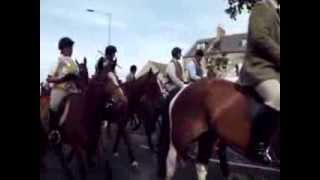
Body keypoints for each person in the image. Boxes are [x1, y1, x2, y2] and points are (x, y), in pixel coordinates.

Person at [239, 0, 280, 163]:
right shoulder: (262, 6)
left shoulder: (277, 14)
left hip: (275, 70)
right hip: (259, 68)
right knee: (278, 98)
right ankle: (256, 145)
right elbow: (259, 37)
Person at [158, 47, 187, 177]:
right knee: (166, 131)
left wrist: (185, 84)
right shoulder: (170, 65)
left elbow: (181, 78)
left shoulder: (179, 64)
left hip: (179, 89)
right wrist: (184, 86)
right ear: (177, 54)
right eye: (180, 53)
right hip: (171, 91)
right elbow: (174, 79)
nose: (181, 55)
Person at [46, 37, 79, 143]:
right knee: (54, 106)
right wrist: (62, 79)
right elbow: (49, 78)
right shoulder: (57, 62)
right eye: (68, 47)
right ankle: (53, 132)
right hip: (59, 90)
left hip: (73, 90)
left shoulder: (73, 63)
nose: (71, 49)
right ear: (62, 49)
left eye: (71, 47)